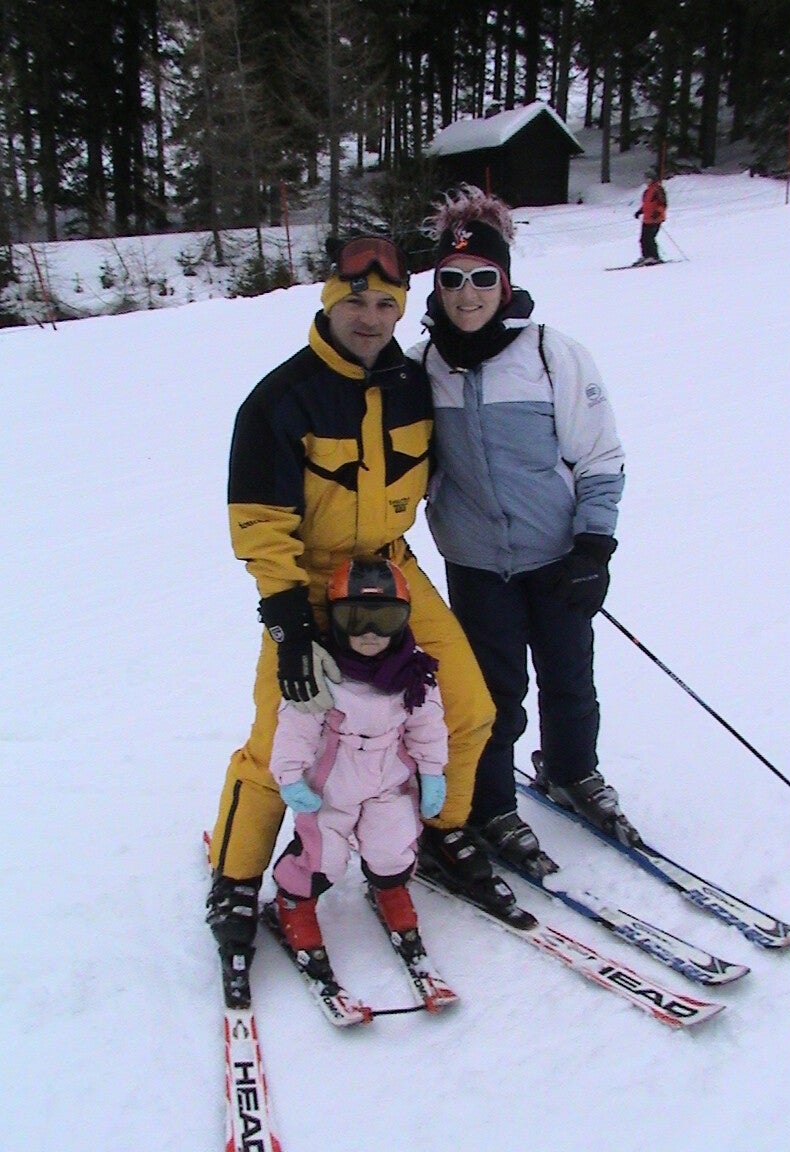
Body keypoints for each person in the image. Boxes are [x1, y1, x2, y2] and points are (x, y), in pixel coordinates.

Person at [206, 235, 513, 1004]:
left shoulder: (413, 385)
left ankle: (434, 833)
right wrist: (290, 629)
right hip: (310, 583)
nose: (370, 317)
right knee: (281, 741)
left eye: (385, 304)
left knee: (469, 709)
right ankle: (235, 881)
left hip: (391, 571)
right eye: (356, 302)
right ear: (327, 299)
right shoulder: (281, 400)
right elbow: (259, 524)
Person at [409, 185, 639, 878]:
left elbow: (600, 456)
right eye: (452, 279)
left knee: (569, 676)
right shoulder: (419, 368)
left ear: (504, 282)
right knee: (494, 693)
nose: (468, 294)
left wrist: (594, 547)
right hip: (476, 563)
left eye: (483, 278)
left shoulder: (549, 353)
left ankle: (572, 770)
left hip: (558, 556)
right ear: (437, 285)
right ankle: (491, 805)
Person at [270, 556, 447, 980]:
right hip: (332, 785)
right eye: (354, 618)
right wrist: (290, 777)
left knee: (393, 842)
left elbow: (427, 726)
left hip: (390, 779)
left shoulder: (414, 672)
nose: (370, 633)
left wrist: (432, 772)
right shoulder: (323, 672)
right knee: (323, 856)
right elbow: (295, 726)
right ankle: (295, 898)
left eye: (385, 619)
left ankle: (391, 886)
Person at [634, 174, 667, 264]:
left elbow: (663, 203)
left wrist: (658, 212)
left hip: (655, 218)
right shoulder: (647, 191)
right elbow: (647, 204)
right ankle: (646, 256)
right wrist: (640, 211)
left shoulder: (658, 189)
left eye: (649, 179)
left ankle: (653, 257)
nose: (647, 181)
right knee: (643, 239)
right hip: (647, 218)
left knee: (649, 238)